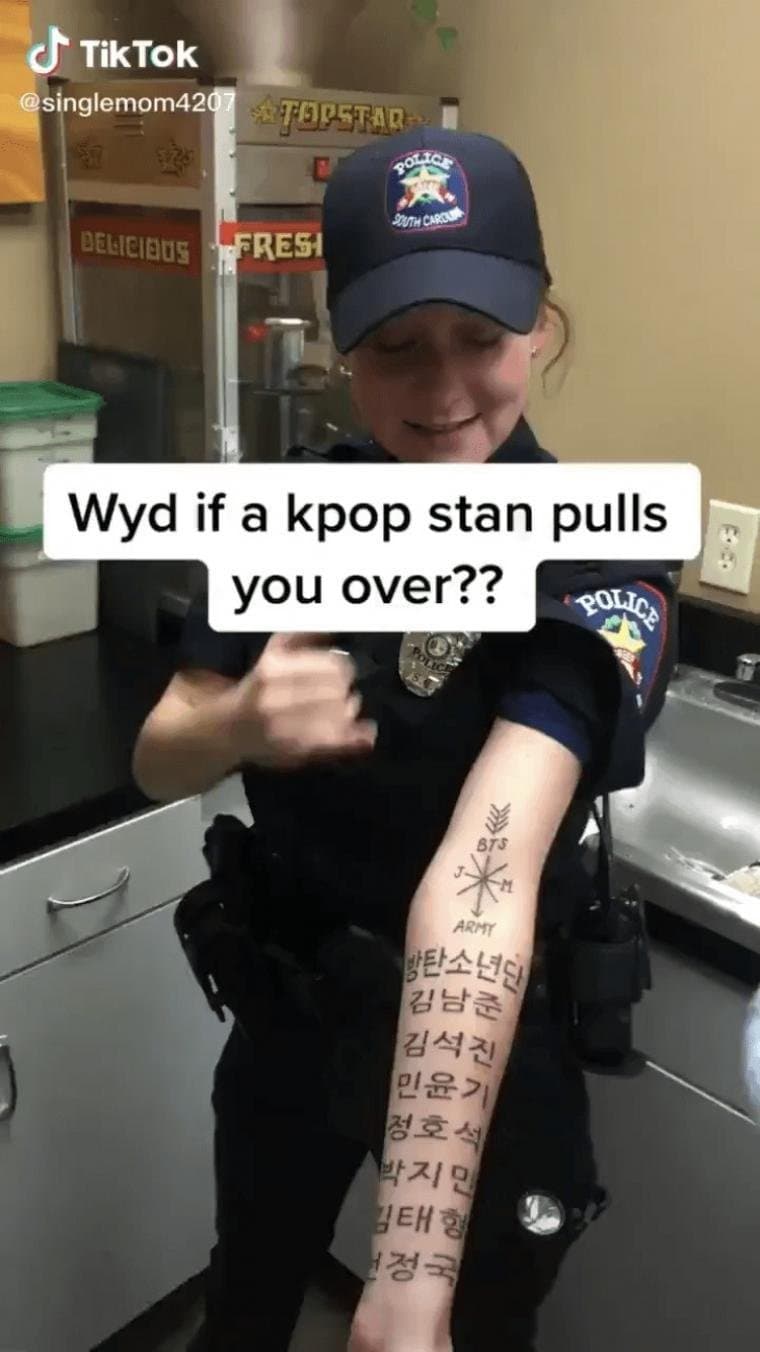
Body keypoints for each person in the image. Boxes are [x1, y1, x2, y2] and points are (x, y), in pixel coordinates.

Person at [133, 127, 677, 1352]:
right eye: (396, 348)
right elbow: (157, 752)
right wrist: (235, 721)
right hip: (288, 1021)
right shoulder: (290, 517)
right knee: (245, 1299)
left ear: (538, 325)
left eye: (479, 339)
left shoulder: (597, 560)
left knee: (476, 1320)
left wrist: (411, 1267)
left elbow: (485, 881)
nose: (442, 394)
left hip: (483, 1051)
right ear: (341, 348)